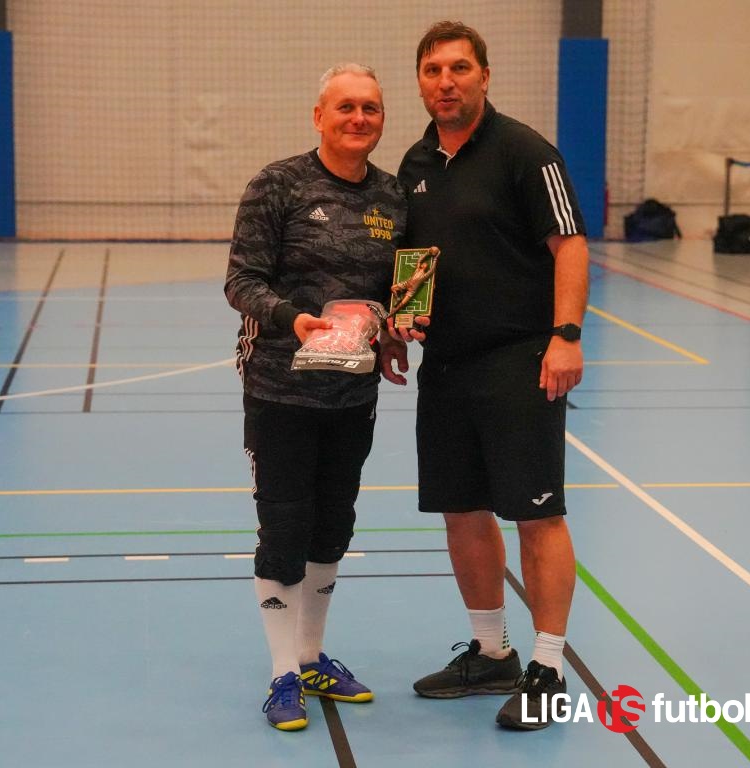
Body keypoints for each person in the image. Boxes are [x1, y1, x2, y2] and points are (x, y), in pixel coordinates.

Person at [395, 21, 590, 730]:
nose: (445, 82)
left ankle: (548, 666)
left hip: (521, 361)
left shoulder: (526, 152)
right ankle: (491, 652)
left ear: (484, 74)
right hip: (445, 366)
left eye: (458, 68)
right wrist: (401, 322)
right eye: (433, 70)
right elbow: (415, 257)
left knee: (537, 513)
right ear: (421, 81)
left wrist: (565, 337)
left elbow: (570, 245)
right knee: (462, 509)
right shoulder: (416, 161)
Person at [224, 63, 409, 731]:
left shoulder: (392, 197)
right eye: (345, 107)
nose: (358, 118)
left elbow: (398, 290)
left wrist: (395, 331)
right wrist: (290, 319)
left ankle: (309, 657)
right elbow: (241, 281)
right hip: (279, 390)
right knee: (284, 530)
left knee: (333, 527)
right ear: (319, 116)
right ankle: (282, 674)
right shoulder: (278, 184)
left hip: (352, 395)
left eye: (370, 108)